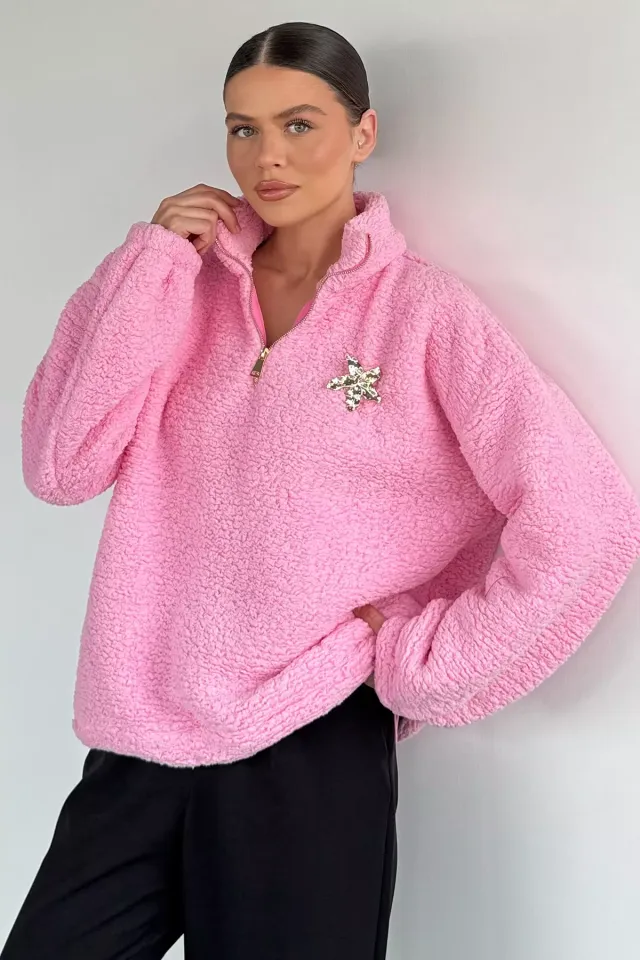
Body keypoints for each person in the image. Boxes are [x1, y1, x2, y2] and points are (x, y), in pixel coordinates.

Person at [3, 19, 640, 960]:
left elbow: (587, 516)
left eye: (299, 124)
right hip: (142, 734)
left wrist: (427, 659)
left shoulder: (422, 315)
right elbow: (61, 467)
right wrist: (149, 265)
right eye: (243, 128)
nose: (268, 156)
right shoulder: (174, 288)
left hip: (306, 742)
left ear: (362, 132)